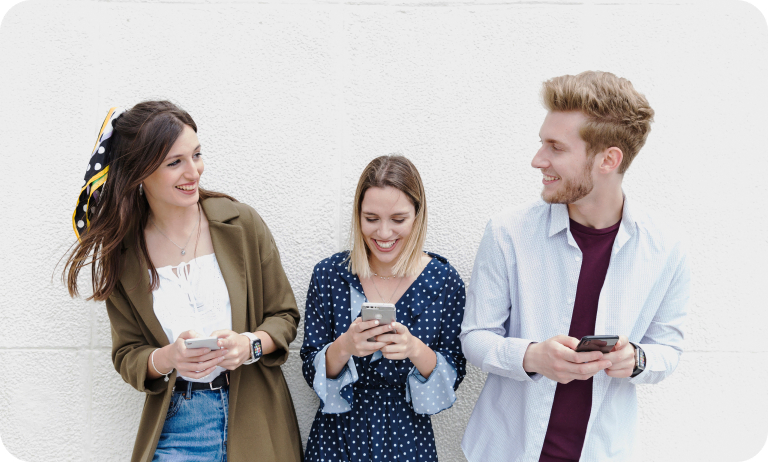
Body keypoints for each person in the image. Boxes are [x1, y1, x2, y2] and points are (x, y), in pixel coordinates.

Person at [460, 71, 690, 461]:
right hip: (506, 451)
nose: (538, 160)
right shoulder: (507, 232)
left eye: (556, 147)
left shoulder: (666, 248)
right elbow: (475, 336)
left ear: (608, 159)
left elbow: (668, 348)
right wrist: (533, 356)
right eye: (541, 144)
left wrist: (636, 359)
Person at [62, 102, 303, 462]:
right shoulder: (124, 253)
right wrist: (168, 357)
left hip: (256, 417)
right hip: (180, 425)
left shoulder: (241, 224)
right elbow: (128, 354)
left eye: (197, 155)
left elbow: (283, 316)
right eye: (175, 162)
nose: (193, 172)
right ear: (139, 173)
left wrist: (248, 345)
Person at [300, 155, 466, 462]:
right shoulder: (329, 274)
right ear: (358, 215)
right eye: (371, 219)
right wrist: (346, 345)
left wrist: (413, 348)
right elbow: (311, 368)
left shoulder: (443, 280)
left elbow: (454, 373)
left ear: (418, 215)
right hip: (337, 437)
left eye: (398, 220)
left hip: (408, 437)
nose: (384, 233)